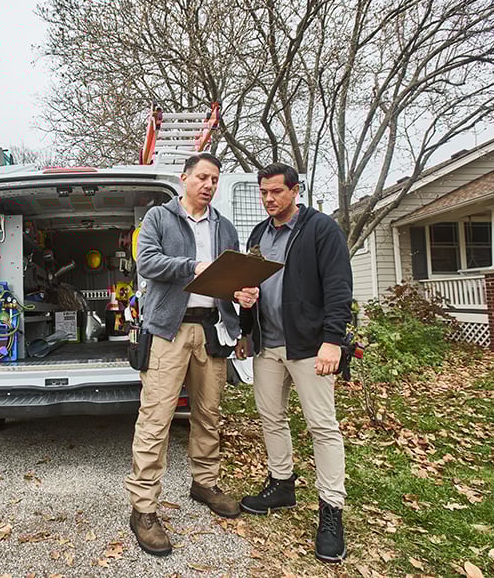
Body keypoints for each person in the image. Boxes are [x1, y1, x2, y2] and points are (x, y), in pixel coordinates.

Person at [125, 151, 260, 556]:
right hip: (168, 330)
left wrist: (242, 295)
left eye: (214, 179)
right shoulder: (159, 218)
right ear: (184, 178)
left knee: (208, 413)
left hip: (211, 329)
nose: (209, 185)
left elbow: (232, 279)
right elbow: (148, 263)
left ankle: (204, 483)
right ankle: (143, 508)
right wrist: (193, 266)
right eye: (202, 177)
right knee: (156, 419)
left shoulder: (225, 227)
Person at [238, 162, 352, 563]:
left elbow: (338, 286)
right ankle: (282, 485)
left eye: (276, 191)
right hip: (267, 344)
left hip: (309, 346)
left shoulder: (321, 229)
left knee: (322, 426)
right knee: (271, 417)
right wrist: (244, 319)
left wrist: (332, 340)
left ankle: (331, 510)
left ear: (295, 190)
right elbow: (250, 287)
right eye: (263, 192)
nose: (269, 199)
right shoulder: (258, 235)